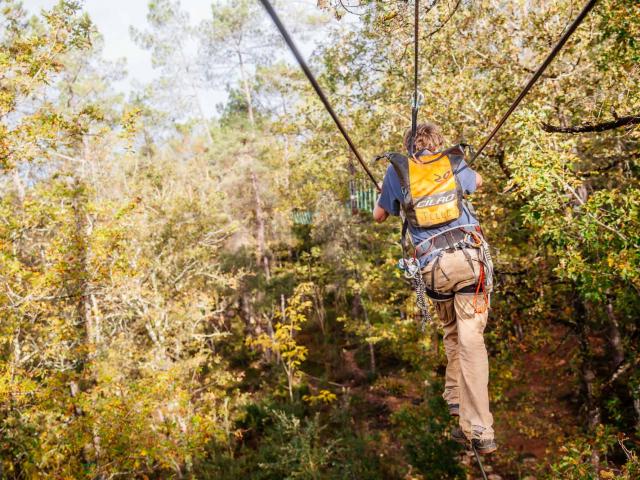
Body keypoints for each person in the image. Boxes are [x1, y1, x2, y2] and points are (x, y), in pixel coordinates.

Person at [373, 122, 496, 455]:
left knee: (454, 335)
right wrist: (463, 174)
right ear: (437, 143)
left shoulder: (397, 172)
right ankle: (479, 428)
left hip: (434, 268)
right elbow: (479, 183)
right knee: (472, 340)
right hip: (471, 259)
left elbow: (379, 215)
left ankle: (458, 406)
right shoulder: (452, 163)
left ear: (409, 146)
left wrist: (393, 194)